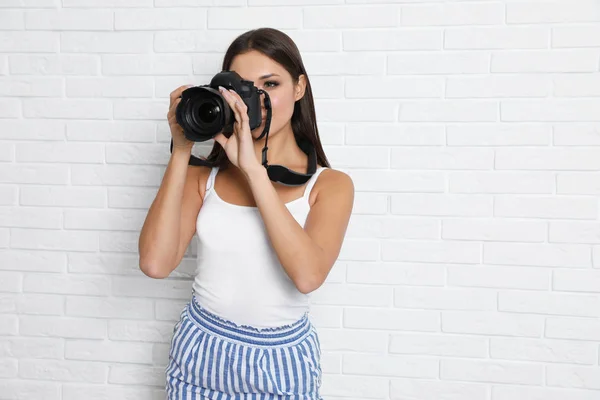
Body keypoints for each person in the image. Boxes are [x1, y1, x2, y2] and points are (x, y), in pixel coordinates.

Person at [138, 27, 354, 400]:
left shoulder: (330, 185)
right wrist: (180, 149)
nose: (257, 100)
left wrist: (253, 169)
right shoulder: (202, 177)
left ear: (299, 87)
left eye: (270, 84)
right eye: (244, 89)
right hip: (199, 354)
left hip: (280, 365)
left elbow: (307, 275)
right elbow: (155, 264)